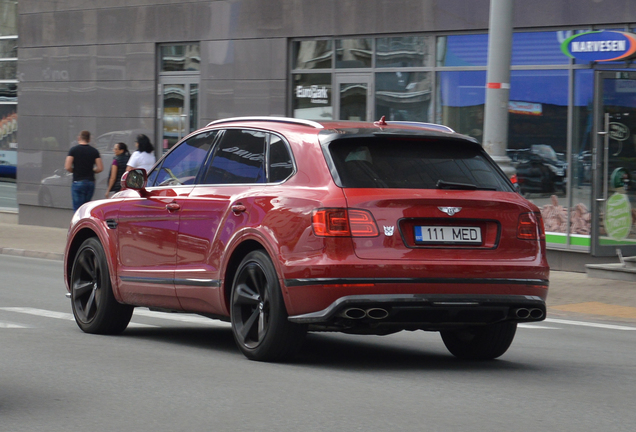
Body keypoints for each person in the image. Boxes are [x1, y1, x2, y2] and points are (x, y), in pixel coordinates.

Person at [65, 130, 103, 211]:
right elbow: (100, 168)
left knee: (78, 209)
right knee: (86, 208)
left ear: (79, 138)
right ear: (89, 140)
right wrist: (92, 170)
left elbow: (67, 167)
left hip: (78, 181)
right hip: (90, 182)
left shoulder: (73, 150)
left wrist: (75, 170)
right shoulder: (94, 151)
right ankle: (86, 223)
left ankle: (78, 223)